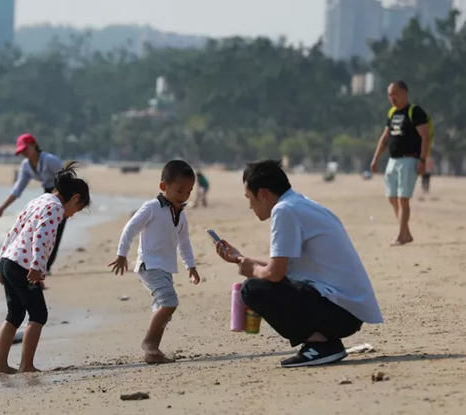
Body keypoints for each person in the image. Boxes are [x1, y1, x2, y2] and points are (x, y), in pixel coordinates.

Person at [214, 160, 383, 368]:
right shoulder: (299, 204)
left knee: (252, 289)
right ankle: (325, 342)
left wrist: (253, 270)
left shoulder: (284, 211)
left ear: (263, 194)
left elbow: (275, 274)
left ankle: (320, 345)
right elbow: (284, 268)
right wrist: (241, 259)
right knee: (258, 281)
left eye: (249, 198)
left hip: (341, 311)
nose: (250, 205)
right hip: (348, 309)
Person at [0, 162, 90, 374]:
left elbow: (14, 230)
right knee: (38, 314)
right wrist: (37, 266)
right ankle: (26, 365)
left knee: (14, 315)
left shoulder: (39, 200)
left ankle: (0, 364)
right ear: (75, 198)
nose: (72, 215)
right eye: (77, 210)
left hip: (9, 261)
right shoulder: (55, 208)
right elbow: (41, 236)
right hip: (23, 266)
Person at [108, 160, 201, 364]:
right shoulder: (151, 207)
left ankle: (153, 353)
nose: (185, 195)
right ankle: (149, 342)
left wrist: (191, 266)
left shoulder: (181, 214)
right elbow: (130, 229)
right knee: (169, 301)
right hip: (149, 265)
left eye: (189, 191)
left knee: (162, 309)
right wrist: (121, 254)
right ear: (163, 186)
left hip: (166, 267)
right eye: (180, 190)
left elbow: (184, 242)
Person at [370, 80, 431, 246]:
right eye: (389, 94)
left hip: (409, 159)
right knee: (391, 197)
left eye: (395, 94)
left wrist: (422, 160)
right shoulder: (392, 113)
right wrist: (376, 158)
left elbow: (425, 136)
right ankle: (405, 232)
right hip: (393, 160)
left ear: (404, 93)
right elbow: (385, 138)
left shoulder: (414, 112)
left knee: (403, 199)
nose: (392, 98)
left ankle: (401, 235)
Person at [0, 134, 64, 275]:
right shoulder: (26, 166)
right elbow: (17, 189)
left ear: (34, 145)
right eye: (21, 151)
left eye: (26, 149)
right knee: (40, 229)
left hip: (61, 193)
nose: (24, 153)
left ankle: (46, 267)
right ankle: (37, 264)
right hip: (47, 194)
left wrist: (60, 200)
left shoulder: (50, 160)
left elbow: (65, 179)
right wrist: (1, 209)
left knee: (55, 231)